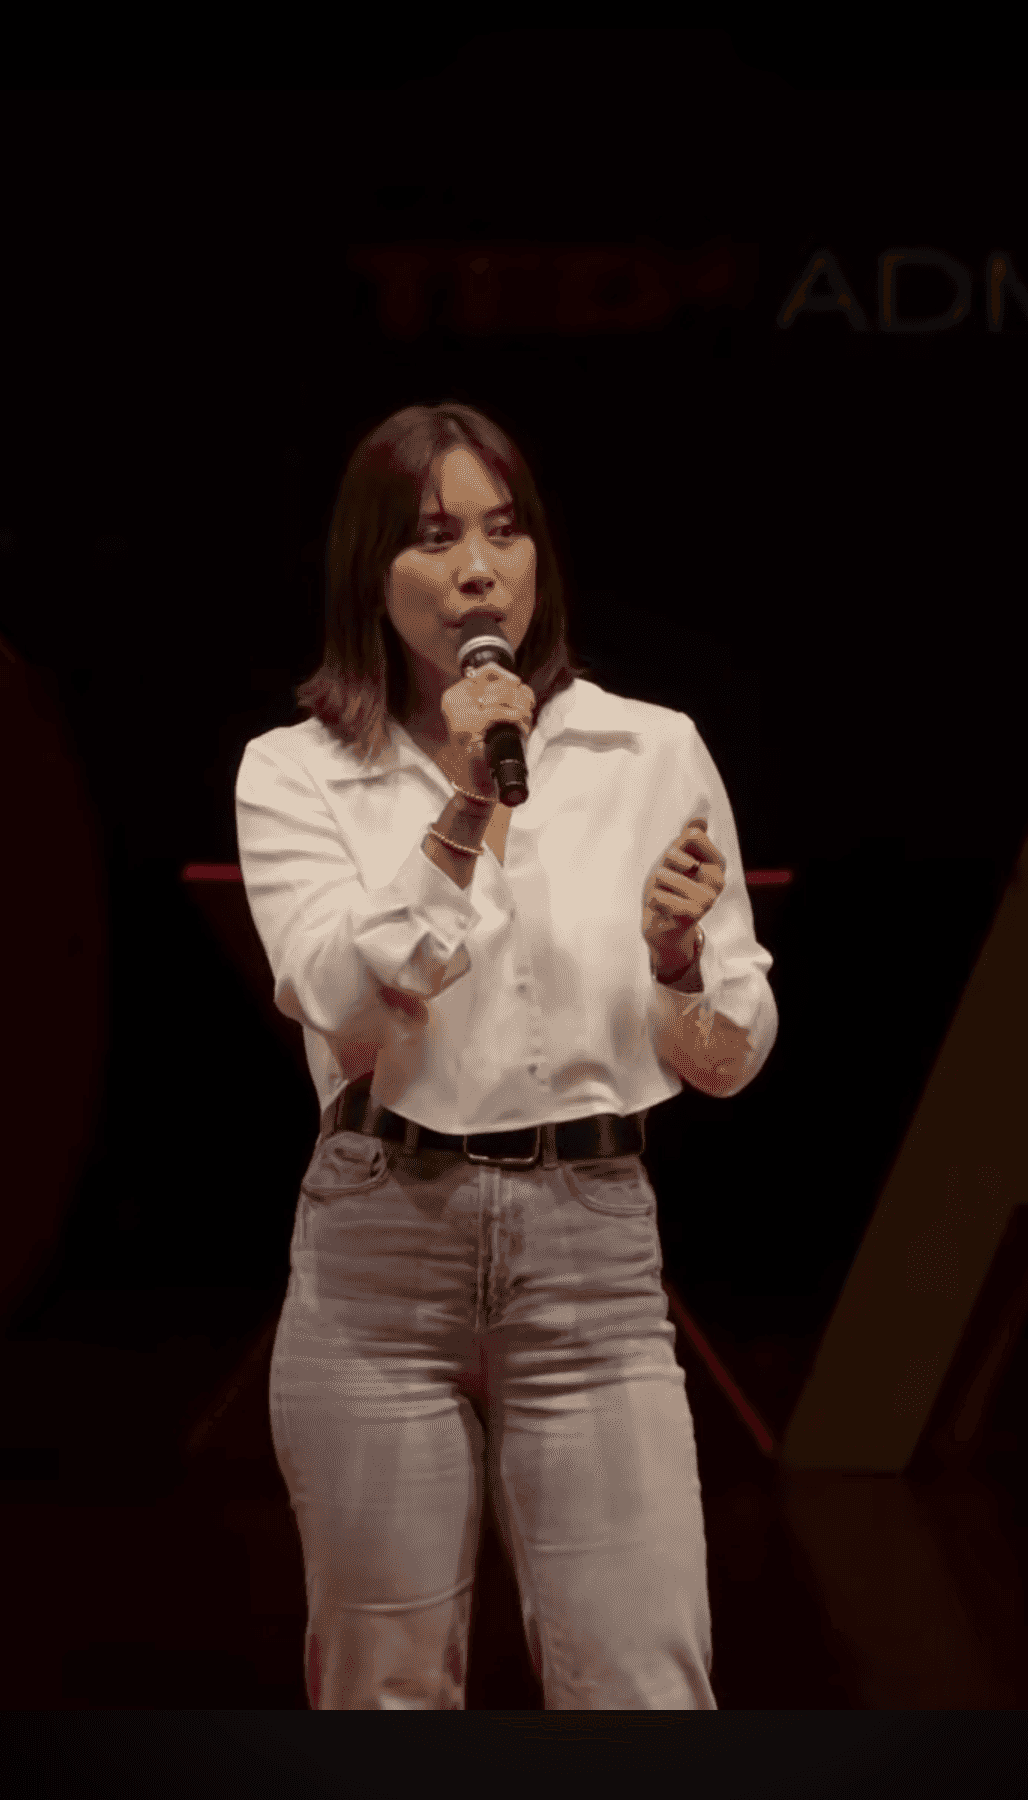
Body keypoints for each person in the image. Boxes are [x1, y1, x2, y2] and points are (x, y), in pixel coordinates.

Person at [235, 402, 778, 1709]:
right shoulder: (297, 773)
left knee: (645, 1684)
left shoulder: (653, 750)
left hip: (590, 1257)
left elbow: (731, 1052)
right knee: (385, 1690)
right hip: (382, 1259)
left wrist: (671, 964)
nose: (481, 570)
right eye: (434, 539)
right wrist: (473, 803)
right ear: (373, 571)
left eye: (504, 530)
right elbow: (341, 1000)